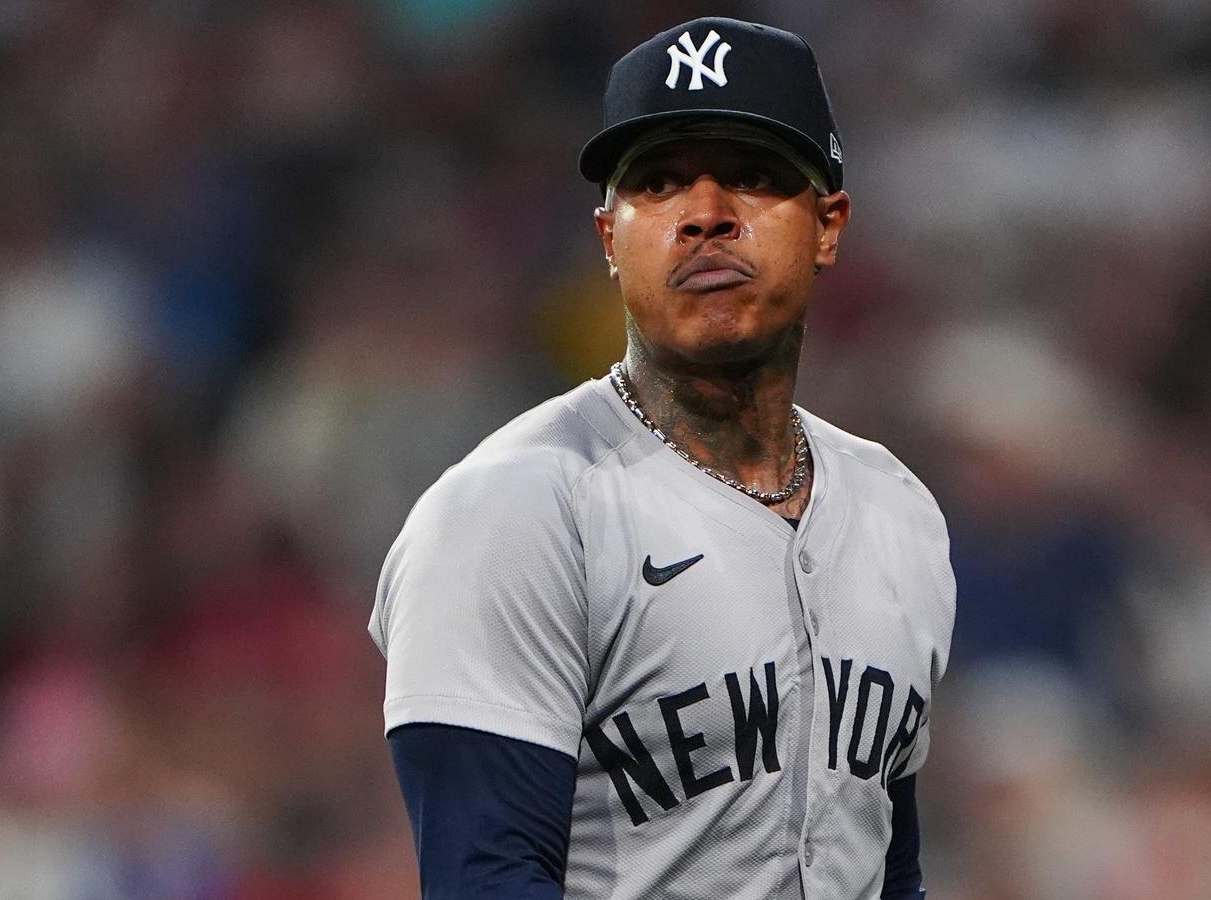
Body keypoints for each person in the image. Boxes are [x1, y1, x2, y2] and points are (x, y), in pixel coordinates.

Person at [369, 17, 955, 899]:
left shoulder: (898, 510)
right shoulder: (515, 509)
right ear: (610, 237)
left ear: (829, 225)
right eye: (660, 182)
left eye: (753, 177)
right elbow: (482, 878)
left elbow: (889, 865)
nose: (706, 215)